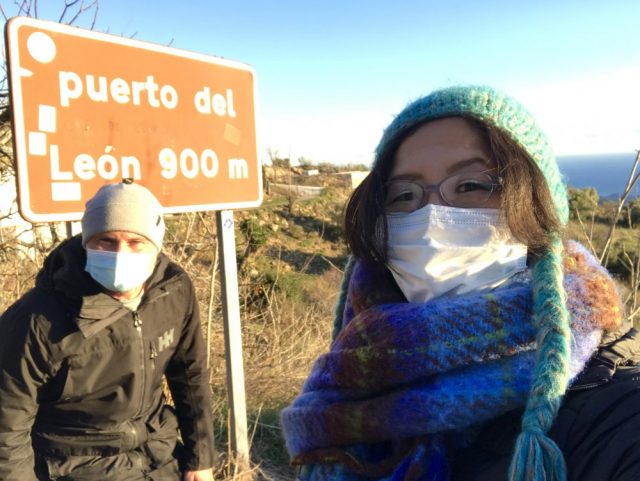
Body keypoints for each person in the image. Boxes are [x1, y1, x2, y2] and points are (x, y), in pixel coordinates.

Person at [281, 86, 640, 481]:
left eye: (471, 186)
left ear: (539, 206)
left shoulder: (619, 411)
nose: (431, 220)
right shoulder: (360, 363)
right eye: (402, 195)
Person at [0, 180, 216, 481]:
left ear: (156, 246)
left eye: (135, 242)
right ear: (86, 242)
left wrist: (200, 458)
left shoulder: (173, 290)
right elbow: (7, 424)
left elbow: (190, 374)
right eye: (106, 240)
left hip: (159, 456)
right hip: (74, 467)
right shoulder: (36, 319)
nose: (120, 254)